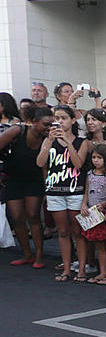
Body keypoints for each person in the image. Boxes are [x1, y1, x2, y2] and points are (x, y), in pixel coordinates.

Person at [36, 105, 91, 281]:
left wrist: (67, 142)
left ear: (72, 120)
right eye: (56, 118)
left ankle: (81, 268)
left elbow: (78, 164)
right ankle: (67, 268)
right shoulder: (48, 140)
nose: (59, 121)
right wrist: (48, 143)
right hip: (55, 191)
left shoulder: (81, 142)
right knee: (62, 231)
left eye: (63, 118)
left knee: (78, 231)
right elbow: (40, 163)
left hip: (75, 191)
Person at [0, 108, 52, 267]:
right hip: (13, 179)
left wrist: (46, 189)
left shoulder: (49, 139)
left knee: (33, 216)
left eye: (52, 124)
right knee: (16, 218)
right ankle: (27, 254)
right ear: (35, 122)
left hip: (34, 180)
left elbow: (45, 167)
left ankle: (39, 256)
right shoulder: (18, 131)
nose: (49, 128)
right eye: (45, 124)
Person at [80, 143, 106, 285]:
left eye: (99, 157)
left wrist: (105, 205)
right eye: (94, 157)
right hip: (93, 213)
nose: (96, 160)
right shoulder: (89, 174)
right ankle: (102, 272)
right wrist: (84, 205)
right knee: (99, 244)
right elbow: (87, 192)